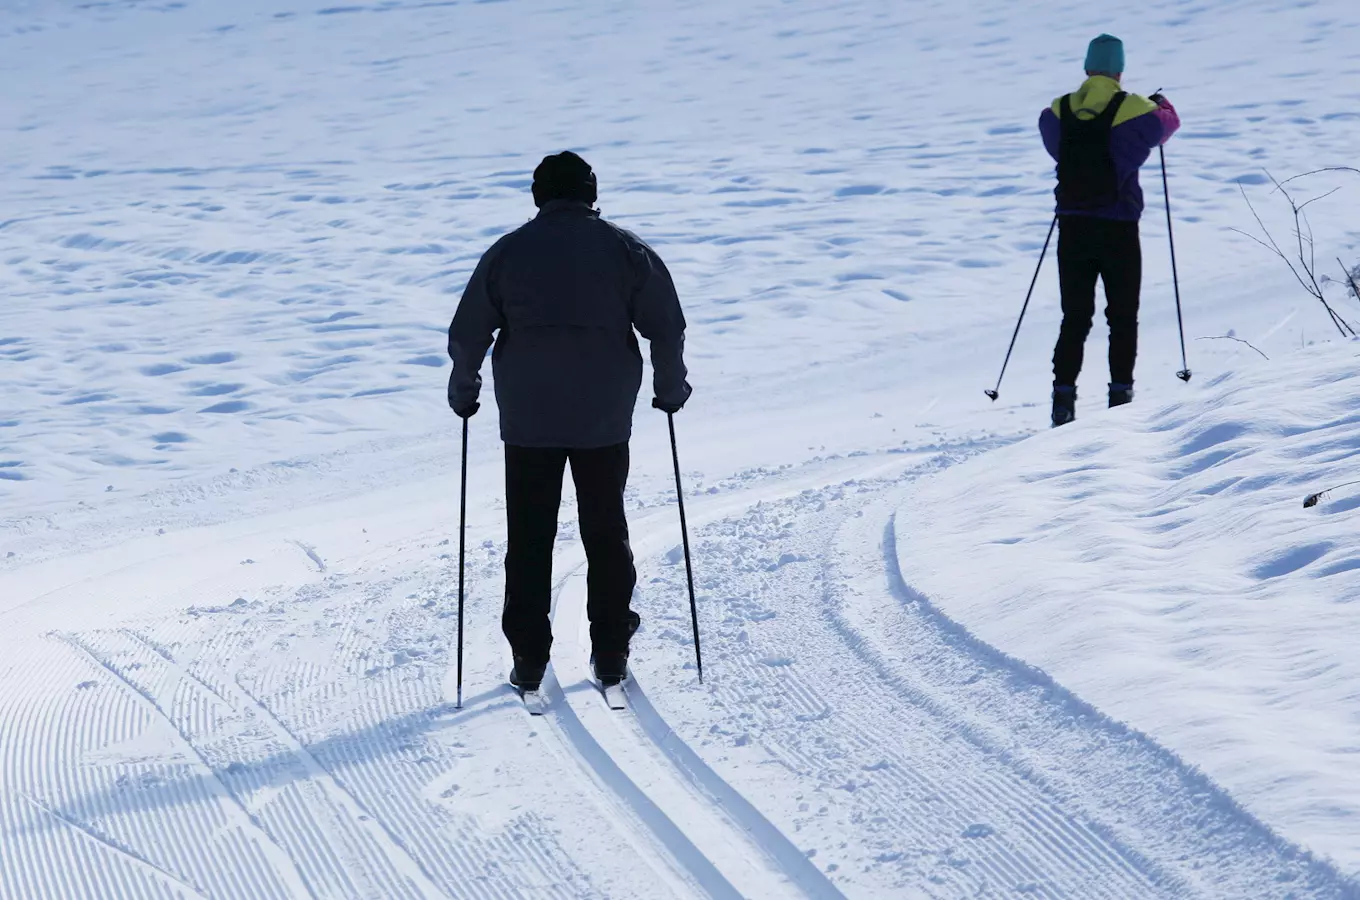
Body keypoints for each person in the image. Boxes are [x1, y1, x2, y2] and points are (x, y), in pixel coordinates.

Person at [447, 151, 692, 692]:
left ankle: (529, 658)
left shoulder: (508, 252)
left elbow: (468, 332)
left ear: (539, 195)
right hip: (603, 419)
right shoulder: (626, 250)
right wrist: (669, 388)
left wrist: (465, 389)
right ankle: (610, 652)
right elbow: (666, 326)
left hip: (529, 420)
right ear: (590, 192)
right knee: (605, 532)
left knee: (529, 536)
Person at [1039, 34, 1180, 426]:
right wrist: (1161, 105)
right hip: (1119, 227)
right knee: (1122, 315)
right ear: (1119, 70)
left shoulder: (1057, 110)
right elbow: (1167, 125)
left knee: (1075, 316)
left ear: (1087, 68)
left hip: (1072, 226)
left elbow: (1055, 144)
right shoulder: (1134, 108)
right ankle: (1120, 398)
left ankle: (1062, 399)